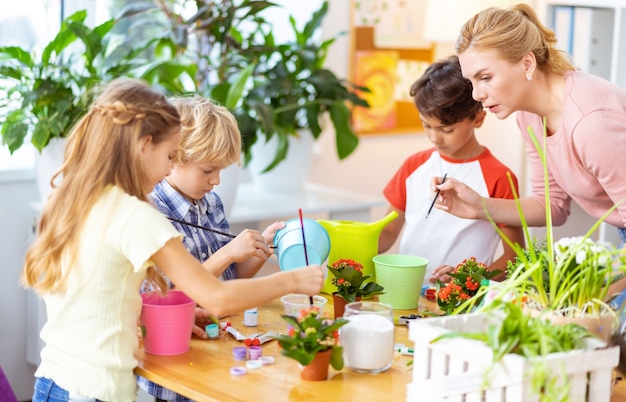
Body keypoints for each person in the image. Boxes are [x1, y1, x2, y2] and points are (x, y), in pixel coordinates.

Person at [21, 78, 324, 402]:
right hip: (97, 391)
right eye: (168, 156)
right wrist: (292, 280)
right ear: (144, 146)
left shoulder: (73, 197)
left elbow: (97, 297)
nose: (168, 168)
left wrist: (160, 313)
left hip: (53, 382)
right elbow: (218, 297)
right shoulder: (136, 215)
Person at [431, 4, 626, 295]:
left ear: (526, 64)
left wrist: (590, 298)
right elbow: (552, 206)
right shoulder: (529, 114)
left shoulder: (591, 123)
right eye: (471, 81)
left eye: (485, 77)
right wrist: (478, 207)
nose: (476, 94)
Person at [139, 96, 284, 402]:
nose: (216, 181)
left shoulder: (210, 204)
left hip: (217, 344)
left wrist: (259, 250)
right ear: (173, 157)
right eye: (208, 170)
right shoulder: (151, 211)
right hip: (176, 364)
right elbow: (166, 299)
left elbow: (230, 278)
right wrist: (228, 252)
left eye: (221, 171)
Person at [378, 55, 524, 284]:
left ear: (478, 118)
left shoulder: (499, 177)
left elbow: (514, 257)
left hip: (462, 303)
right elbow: (386, 234)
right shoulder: (413, 166)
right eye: (426, 125)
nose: (435, 137)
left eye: (446, 130)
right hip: (406, 293)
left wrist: (468, 278)